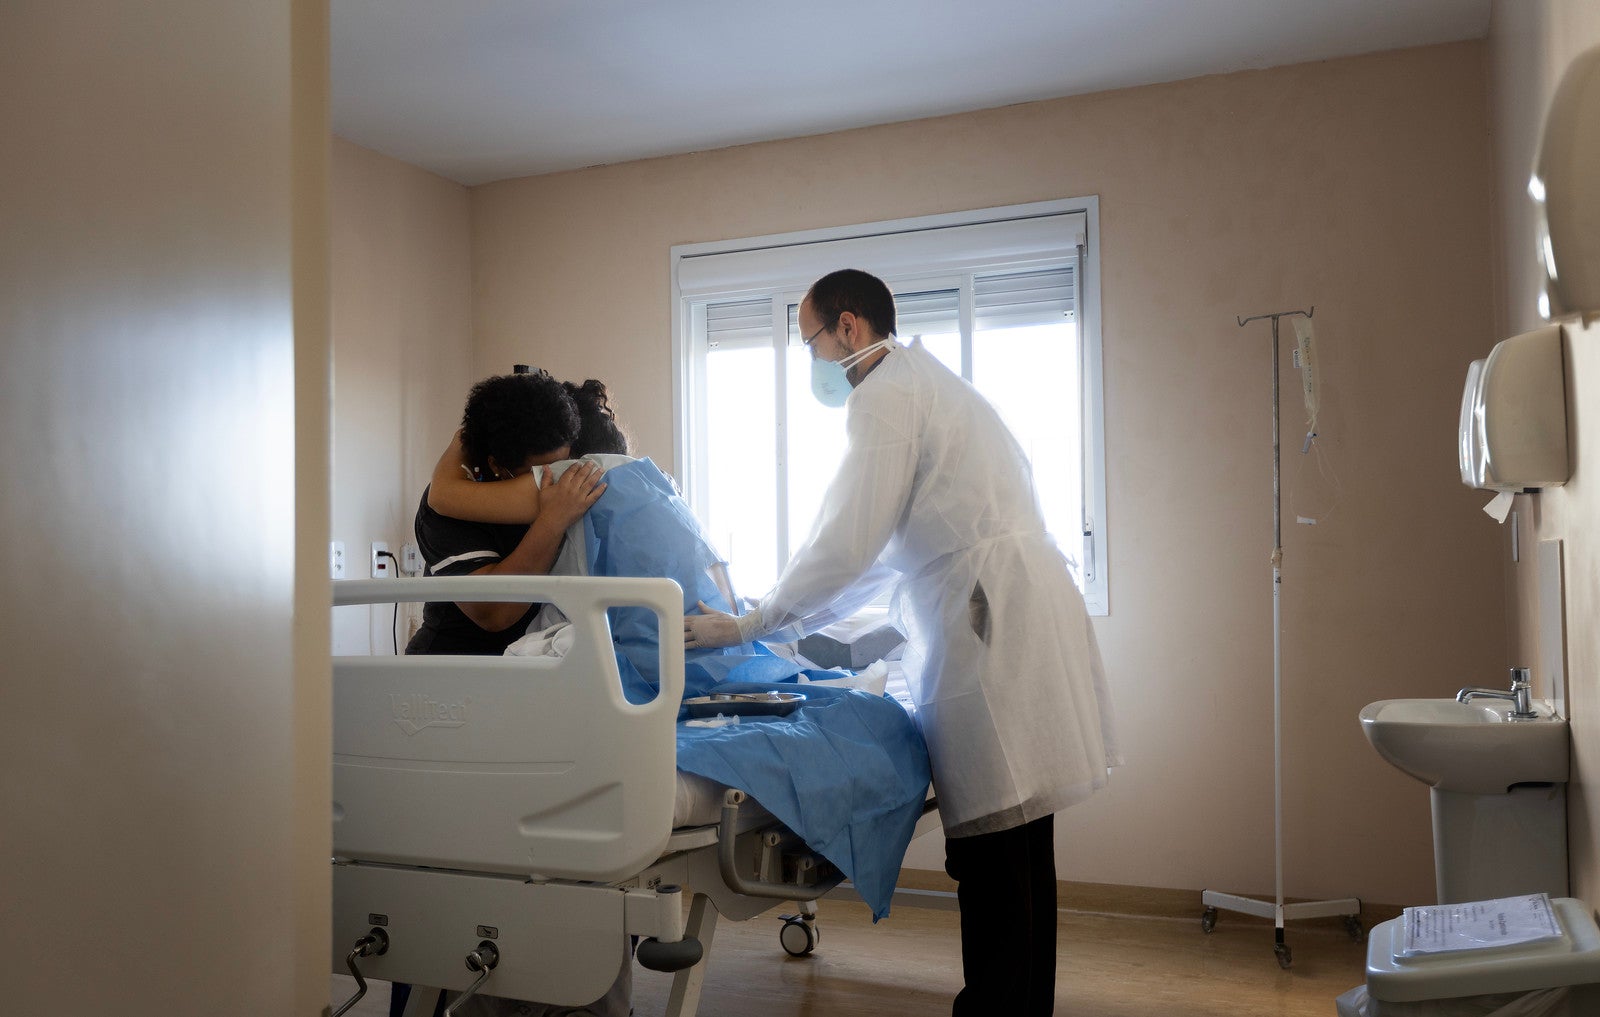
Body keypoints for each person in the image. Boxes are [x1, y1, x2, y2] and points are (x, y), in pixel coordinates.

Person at [682, 268, 1120, 1016]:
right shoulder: (927, 382)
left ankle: (995, 1007)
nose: (813, 362)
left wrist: (754, 623)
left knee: (995, 851)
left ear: (848, 328)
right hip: (1008, 607)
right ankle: (1014, 1004)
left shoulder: (885, 397)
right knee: (1018, 848)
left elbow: (848, 543)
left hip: (991, 622)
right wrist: (780, 615)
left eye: (812, 341)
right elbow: (878, 554)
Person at [405, 370, 606, 656]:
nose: (556, 478)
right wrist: (551, 522)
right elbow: (495, 612)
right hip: (456, 663)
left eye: (563, 464)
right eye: (538, 473)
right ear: (497, 465)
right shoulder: (446, 511)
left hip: (535, 659)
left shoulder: (572, 475)